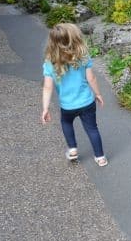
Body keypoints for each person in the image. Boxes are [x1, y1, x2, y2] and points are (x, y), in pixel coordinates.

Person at [41, 23, 108, 167]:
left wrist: (45, 108)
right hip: (87, 102)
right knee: (92, 129)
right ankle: (100, 157)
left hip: (67, 105)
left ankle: (72, 150)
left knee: (66, 123)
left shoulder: (50, 63)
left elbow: (47, 87)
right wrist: (98, 94)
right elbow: (92, 78)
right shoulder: (83, 56)